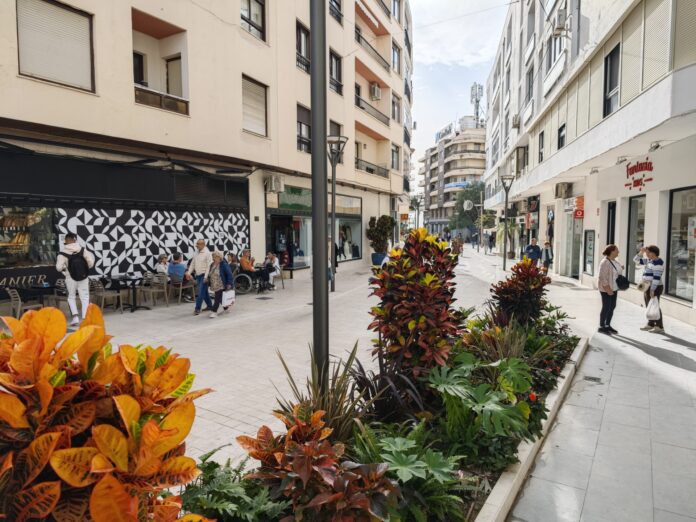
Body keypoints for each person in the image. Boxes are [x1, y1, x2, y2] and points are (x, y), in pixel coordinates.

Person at [56, 233, 95, 326]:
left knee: (71, 297)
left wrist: (65, 269)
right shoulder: (83, 250)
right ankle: (85, 318)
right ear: (75, 240)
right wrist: (83, 269)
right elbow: (91, 263)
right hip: (83, 276)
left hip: (70, 278)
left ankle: (75, 318)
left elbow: (58, 268)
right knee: (85, 297)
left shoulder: (62, 253)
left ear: (65, 241)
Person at [634, 245, 665, 333]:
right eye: (646, 252)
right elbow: (636, 260)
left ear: (653, 253)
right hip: (647, 286)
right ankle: (650, 324)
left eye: (648, 252)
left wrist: (652, 289)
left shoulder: (658, 263)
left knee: (655, 306)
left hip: (655, 287)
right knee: (649, 305)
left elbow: (656, 278)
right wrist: (641, 252)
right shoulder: (649, 261)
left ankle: (659, 326)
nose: (646, 254)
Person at [597, 244, 622, 334]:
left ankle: (607, 325)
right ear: (612, 251)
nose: (618, 252)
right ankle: (601, 326)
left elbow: (616, 271)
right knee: (606, 307)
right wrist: (608, 289)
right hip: (606, 289)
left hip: (614, 287)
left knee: (612, 307)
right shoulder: (605, 262)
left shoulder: (615, 261)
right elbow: (602, 277)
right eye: (617, 250)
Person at [205, 251, 234, 318]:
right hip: (214, 284)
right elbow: (210, 272)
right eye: (213, 257)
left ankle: (214, 312)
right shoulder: (212, 264)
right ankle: (226, 309)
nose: (214, 258)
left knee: (217, 298)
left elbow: (229, 274)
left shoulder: (223, 264)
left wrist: (229, 283)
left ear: (219, 257)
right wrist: (207, 278)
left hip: (221, 284)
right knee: (220, 298)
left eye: (215, 257)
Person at [189, 239, 213, 315]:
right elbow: (193, 263)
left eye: (198, 244)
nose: (196, 245)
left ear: (203, 245)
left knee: (200, 293)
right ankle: (210, 306)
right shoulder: (196, 252)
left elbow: (209, 266)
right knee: (204, 292)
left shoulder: (207, 253)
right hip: (198, 275)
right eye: (196, 244)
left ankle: (197, 309)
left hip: (204, 275)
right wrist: (189, 273)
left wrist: (206, 277)